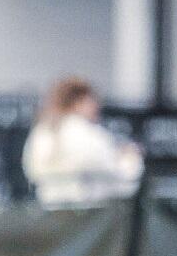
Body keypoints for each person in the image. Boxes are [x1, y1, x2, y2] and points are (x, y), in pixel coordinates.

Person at [22, 77, 143, 207]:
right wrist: (131, 158)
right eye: (92, 101)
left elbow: (32, 172)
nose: (97, 106)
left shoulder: (42, 132)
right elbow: (121, 182)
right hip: (90, 217)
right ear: (79, 102)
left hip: (50, 213)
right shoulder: (88, 134)